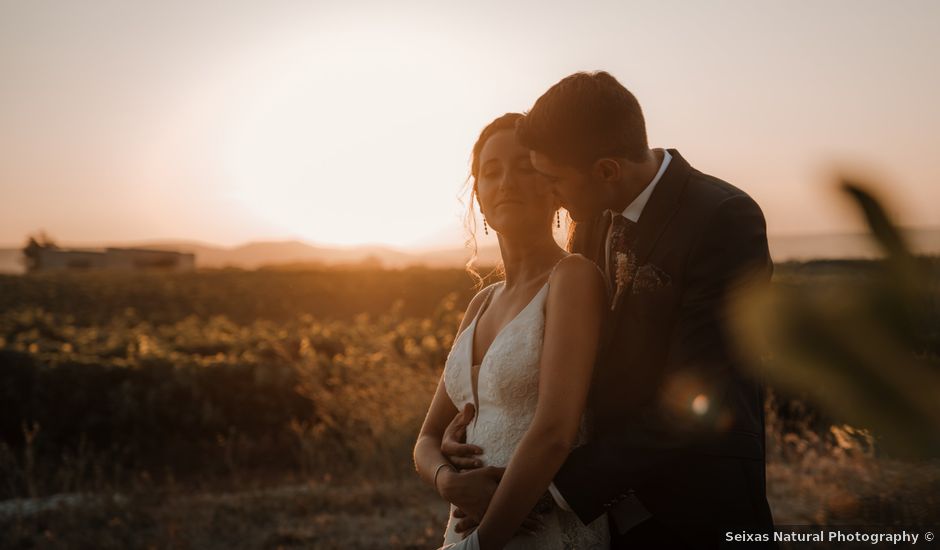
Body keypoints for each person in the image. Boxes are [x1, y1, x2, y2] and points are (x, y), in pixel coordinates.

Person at [441, 72, 776, 549]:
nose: (553, 195)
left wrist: (537, 494)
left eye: (553, 180)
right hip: (608, 517)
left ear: (606, 170)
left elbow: (696, 396)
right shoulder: (594, 216)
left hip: (693, 509)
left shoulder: (722, 218)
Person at [412, 112, 611, 549]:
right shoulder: (481, 303)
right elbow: (426, 439)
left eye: (525, 167)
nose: (506, 182)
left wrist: (483, 543)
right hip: (463, 527)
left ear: (554, 185)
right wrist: (447, 481)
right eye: (492, 171)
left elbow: (556, 431)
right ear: (479, 197)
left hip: (541, 530)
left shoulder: (572, 278)